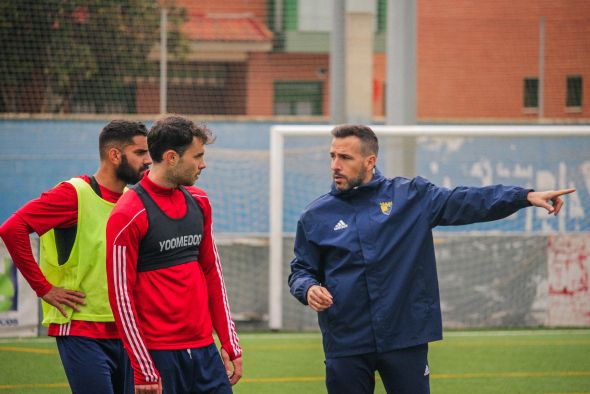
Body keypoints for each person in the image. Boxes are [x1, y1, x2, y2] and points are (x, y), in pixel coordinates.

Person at [288, 124, 576, 394]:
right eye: (332, 156)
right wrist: (308, 288)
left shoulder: (411, 197)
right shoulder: (315, 216)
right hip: (346, 339)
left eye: (345, 157)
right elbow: (300, 270)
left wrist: (524, 196)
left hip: (404, 336)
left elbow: (468, 200)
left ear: (370, 161)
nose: (334, 165)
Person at [0, 120, 152, 393]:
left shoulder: (134, 199)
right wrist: (43, 289)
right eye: (140, 153)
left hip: (129, 329)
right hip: (82, 329)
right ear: (115, 155)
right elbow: (12, 229)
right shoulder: (73, 194)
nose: (148, 160)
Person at [106, 115, 243, 394]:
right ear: (171, 157)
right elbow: (121, 297)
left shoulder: (200, 201)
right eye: (197, 156)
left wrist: (229, 342)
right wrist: (143, 366)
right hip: (158, 357)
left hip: (205, 352)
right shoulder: (128, 213)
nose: (203, 164)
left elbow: (212, 273)